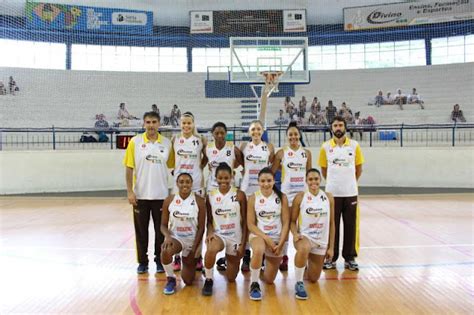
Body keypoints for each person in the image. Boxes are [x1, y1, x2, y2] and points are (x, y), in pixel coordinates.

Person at [123, 111, 173, 274]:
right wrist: (130, 191)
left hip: (161, 196)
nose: (151, 125)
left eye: (154, 122)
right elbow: (129, 168)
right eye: (148, 122)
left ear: (159, 124)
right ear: (144, 124)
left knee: (160, 232)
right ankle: (142, 262)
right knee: (141, 232)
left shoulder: (167, 143)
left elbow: (173, 168)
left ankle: (159, 260)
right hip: (141, 196)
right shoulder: (135, 142)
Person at [318, 116, 364, 271]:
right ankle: (331, 257)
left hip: (350, 193)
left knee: (351, 226)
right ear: (331, 128)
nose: (338, 128)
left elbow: (358, 169)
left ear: (345, 127)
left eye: (340, 125)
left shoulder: (354, 145)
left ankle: (350, 258)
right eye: (335, 125)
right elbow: (324, 170)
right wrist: (334, 183)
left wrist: (349, 182)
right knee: (332, 226)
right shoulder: (325, 147)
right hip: (332, 194)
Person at [202, 163, 247, 296]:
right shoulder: (210, 196)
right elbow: (209, 220)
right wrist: (210, 232)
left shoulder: (240, 195)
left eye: (226, 178)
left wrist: (243, 245)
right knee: (211, 249)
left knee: (231, 278)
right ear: (215, 178)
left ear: (232, 177)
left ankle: (225, 260)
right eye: (220, 178)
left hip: (235, 237)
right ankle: (209, 279)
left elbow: (245, 222)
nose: (223, 181)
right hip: (219, 235)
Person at [271, 122, 312, 271]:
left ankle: (304, 256)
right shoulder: (281, 153)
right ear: (287, 137)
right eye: (290, 135)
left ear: (299, 135)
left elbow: (309, 175)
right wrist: (277, 192)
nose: (293, 137)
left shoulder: (306, 153)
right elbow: (271, 172)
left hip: (302, 195)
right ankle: (284, 257)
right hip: (287, 195)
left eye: (295, 134)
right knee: (286, 226)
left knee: (302, 227)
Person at [290, 168, 335, 299]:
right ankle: (298, 283)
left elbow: (332, 224)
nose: (313, 182)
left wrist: (331, 247)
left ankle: (304, 263)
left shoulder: (328, 197)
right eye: (310, 179)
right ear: (306, 181)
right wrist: (295, 234)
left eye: (316, 179)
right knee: (304, 248)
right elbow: (292, 221)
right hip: (305, 237)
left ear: (320, 180)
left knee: (314, 278)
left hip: (321, 241)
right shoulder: (300, 197)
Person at [171, 111, 207, 271]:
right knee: (176, 220)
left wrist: (200, 166)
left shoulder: (200, 140)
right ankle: (177, 256)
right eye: (183, 123)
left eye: (189, 123)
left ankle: (198, 257)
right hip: (178, 186)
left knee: (197, 222)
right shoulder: (174, 139)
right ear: (180, 125)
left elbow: (207, 157)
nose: (186, 126)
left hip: (197, 185)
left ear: (193, 124)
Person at [247, 168, 290, 301]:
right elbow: (251, 225)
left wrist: (281, 244)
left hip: (277, 238)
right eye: (263, 181)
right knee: (259, 249)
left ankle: (257, 267)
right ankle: (254, 284)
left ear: (274, 181)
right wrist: (266, 239)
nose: (266, 184)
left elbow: (286, 223)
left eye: (269, 181)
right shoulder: (253, 197)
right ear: (258, 182)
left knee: (269, 280)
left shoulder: (282, 197)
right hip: (259, 235)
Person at [160, 173, 206, 295]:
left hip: (192, 240)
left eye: (187, 182)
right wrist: (168, 236)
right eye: (181, 182)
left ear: (191, 184)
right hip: (176, 238)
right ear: (177, 184)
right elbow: (163, 225)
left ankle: (191, 262)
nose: (184, 184)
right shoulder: (169, 200)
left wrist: (194, 250)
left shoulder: (199, 201)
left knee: (188, 280)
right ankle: (170, 278)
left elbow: (201, 228)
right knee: (165, 250)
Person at [240, 120, 275, 197]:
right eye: (253, 129)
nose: (256, 131)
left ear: (262, 131)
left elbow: (271, 164)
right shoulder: (243, 146)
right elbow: (240, 163)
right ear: (249, 132)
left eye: (258, 129)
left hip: (263, 187)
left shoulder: (269, 146)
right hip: (246, 187)